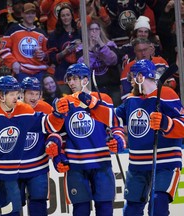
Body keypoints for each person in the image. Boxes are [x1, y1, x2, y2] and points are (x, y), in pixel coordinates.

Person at [0, 75, 70, 216]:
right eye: (12, 95)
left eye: (17, 94)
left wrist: (58, 114)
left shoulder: (24, 110)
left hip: (10, 175)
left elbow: (48, 125)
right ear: (0, 95)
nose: (16, 98)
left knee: (13, 213)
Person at [45, 63, 126, 216]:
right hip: (76, 165)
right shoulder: (63, 103)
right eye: (69, 79)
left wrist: (118, 140)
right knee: (80, 210)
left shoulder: (103, 99)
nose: (71, 82)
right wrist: (58, 155)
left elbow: (115, 126)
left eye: (75, 78)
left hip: (101, 163)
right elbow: (57, 134)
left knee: (105, 209)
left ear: (85, 80)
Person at [114, 59, 183, 216]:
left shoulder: (166, 93)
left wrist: (166, 122)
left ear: (140, 76)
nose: (130, 81)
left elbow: (182, 124)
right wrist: (94, 106)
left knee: (157, 203)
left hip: (165, 161)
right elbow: (113, 118)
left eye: (132, 76)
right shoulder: (131, 100)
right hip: (138, 163)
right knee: (131, 208)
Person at [18, 77, 53, 216]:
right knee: (12, 206)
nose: (33, 97)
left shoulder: (46, 108)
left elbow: (53, 133)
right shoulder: (13, 109)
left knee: (38, 204)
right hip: (15, 169)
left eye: (36, 93)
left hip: (38, 167)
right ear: (23, 93)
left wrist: (51, 142)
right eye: (30, 93)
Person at [0, 2, 49, 82]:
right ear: (22, 14)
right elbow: (3, 49)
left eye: (32, 13)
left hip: (39, 72)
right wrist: (13, 62)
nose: (30, 16)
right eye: (27, 13)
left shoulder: (41, 33)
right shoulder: (13, 30)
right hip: (21, 72)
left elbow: (48, 53)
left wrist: (44, 55)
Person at [77, 20, 121, 107]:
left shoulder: (110, 45)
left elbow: (113, 60)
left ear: (101, 31)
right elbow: (83, 66)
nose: (94, 32)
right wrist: (90, 49)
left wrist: (101, 45)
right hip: (93, 88)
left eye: (96, 29)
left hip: (111, 86)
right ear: (88, 32)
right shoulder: (81, 49)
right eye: (91, 29)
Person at [47, 5, 82, 94]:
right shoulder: (54, 35)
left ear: (72, 16)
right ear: (60, 18)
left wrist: (80, 45)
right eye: (63, 16)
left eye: (68, 15)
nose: (66, 18)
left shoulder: (79, 33)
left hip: (79, 73)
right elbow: (51, 58)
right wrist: (65, 52)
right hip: (62, 75)